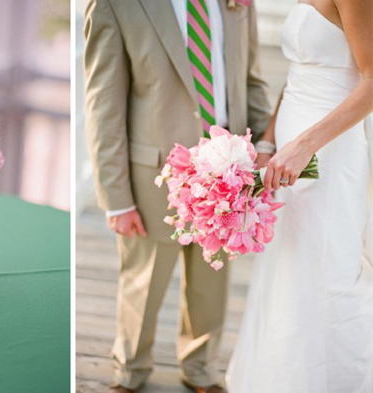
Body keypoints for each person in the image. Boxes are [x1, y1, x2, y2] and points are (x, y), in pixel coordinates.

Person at [84, 0, 271, 392]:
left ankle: (200, 369)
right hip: (155, 173)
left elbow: (251, 80)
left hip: (229, 169)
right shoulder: (116, 5)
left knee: (212, 281)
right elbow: (104, 104)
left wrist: (261, 153)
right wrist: (117, 198)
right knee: (143, 281)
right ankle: (130, 372)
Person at [226, 1, 373, 392]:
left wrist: (305, 144)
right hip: (288, 146)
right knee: (286, 269)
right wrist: (270, 141)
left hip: (329, 148)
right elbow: (296, 75)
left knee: (325, 271)